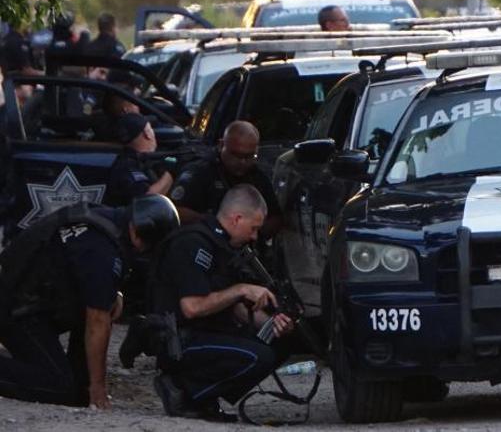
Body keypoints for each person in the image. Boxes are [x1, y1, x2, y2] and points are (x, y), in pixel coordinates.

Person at [0, 196, 179, 408]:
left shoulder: (107, 219)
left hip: (25, 299)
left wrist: (114, 292)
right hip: (16, 311)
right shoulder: (102, 250)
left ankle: (81, 382)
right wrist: (98, 387)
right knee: (60, 387)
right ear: (140, 235)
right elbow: (97, 321)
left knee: (78, 392)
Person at [150, 185, 295, 422]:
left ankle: (204, 398)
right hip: (180, 342)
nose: (255, 236)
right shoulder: (193, 243)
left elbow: (232, 306)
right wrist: (241, 290)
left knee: (278, 343)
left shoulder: (222, 247)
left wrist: (273, 324)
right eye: (254, 228)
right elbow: (193, 307)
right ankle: (181, 389)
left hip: (207, 334)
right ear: (237, 219)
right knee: (259, 356)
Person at [169, 120, 282, 237]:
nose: (242, 162)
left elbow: (276, 217)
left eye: (249, 156)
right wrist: (214, 224)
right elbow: (175, 210)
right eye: (236, 155)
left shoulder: (257, 176)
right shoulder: (200, 171)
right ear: (221, 145)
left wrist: (253, 230)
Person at [105, 113, 174, 207]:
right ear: (147, 134)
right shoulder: (127, 166)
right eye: (151, 129)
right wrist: (171, 173)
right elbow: (148, 199)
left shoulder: (131, 158)